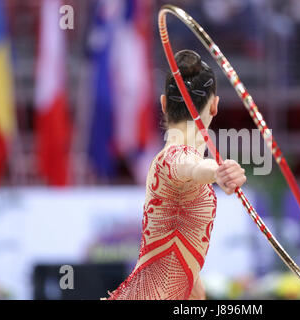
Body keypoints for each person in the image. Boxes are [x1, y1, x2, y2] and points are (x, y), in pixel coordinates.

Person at [104, 50, 247, 300]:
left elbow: (179, 254)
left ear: (163, 104)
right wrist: (217, 171)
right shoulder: (172, 158)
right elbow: (190, 166)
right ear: (214, 106)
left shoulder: (166, 163)